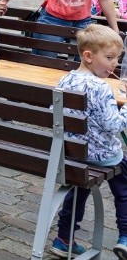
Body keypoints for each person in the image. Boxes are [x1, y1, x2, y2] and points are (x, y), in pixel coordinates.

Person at [49, 25, 127, 258]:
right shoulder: (101, 88)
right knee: (124, 185)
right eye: (109, 58)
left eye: (118, 59)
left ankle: (64, 238)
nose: (114, 65)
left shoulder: (65, 80)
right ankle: (125, 237)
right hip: (101, 157)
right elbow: (114, 125)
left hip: (72, 155)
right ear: (88, 56)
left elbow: (54, 112)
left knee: (80, 186)